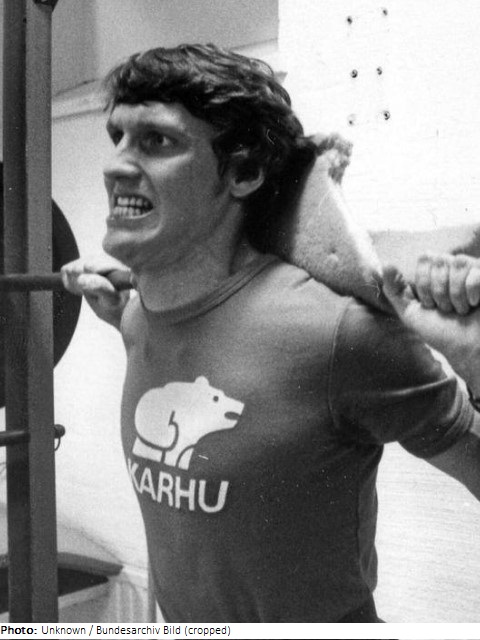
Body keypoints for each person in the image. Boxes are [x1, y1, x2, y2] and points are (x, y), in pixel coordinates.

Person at [61, 44, 480, 623]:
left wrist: (477, 362)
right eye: (118, 137)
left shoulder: (338, 331)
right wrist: (121, 316)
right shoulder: (140, 315)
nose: (115, 166)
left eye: (157, 140)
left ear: (244, 173)